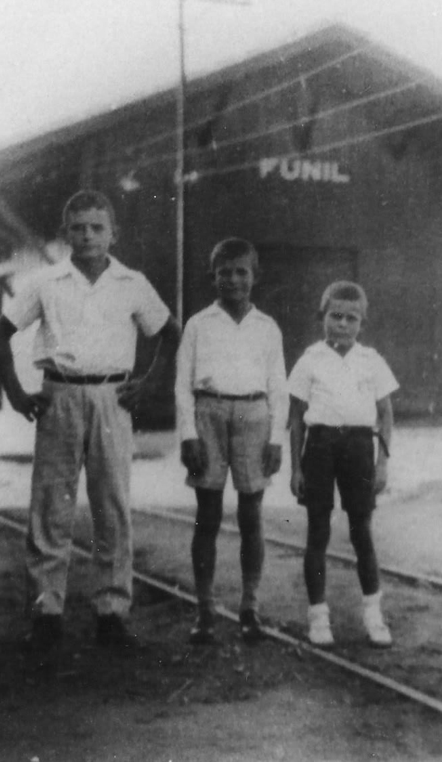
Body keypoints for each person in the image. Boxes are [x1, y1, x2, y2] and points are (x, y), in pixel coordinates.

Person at [0, 189, 181, 651]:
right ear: (65, 232)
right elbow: (1, 334)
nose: (88, 236)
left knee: (111, 505)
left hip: (113, 397)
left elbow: (170, 332)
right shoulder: (46, 282)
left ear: (113, 233)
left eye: (97, 227)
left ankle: (112, 613)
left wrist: (149, 385)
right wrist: (16, 392)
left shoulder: (131, 282)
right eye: (78, 227)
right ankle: (46, 613)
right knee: (51, 505)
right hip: (59, 396)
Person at [175, 238, 286, 645]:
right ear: (212, 276)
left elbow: (279, 387)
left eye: (242, 272)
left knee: (251, 515)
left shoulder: (267, 327)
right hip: (209, 413)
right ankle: (205, 610)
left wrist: (277, 439)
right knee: (207, 515)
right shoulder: (199, 324)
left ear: (255, 277)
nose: (233, 280)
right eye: (225, 272)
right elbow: (182, 385)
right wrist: (188, 435)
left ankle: (249, 607)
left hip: (254, 416)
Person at [288, 281, 397, 648]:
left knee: (361, 532)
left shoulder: (371, 360)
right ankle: (318, 617)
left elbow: (385, 413)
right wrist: (296, 469)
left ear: (362, 324)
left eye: (352, 319)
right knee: (317, 531)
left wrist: (382, 463)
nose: (343, 325)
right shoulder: (310, 359)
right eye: (335, 316)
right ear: (322, 318)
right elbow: (297, 417)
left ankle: (373, 614)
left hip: (358, 447)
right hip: (319, 447)